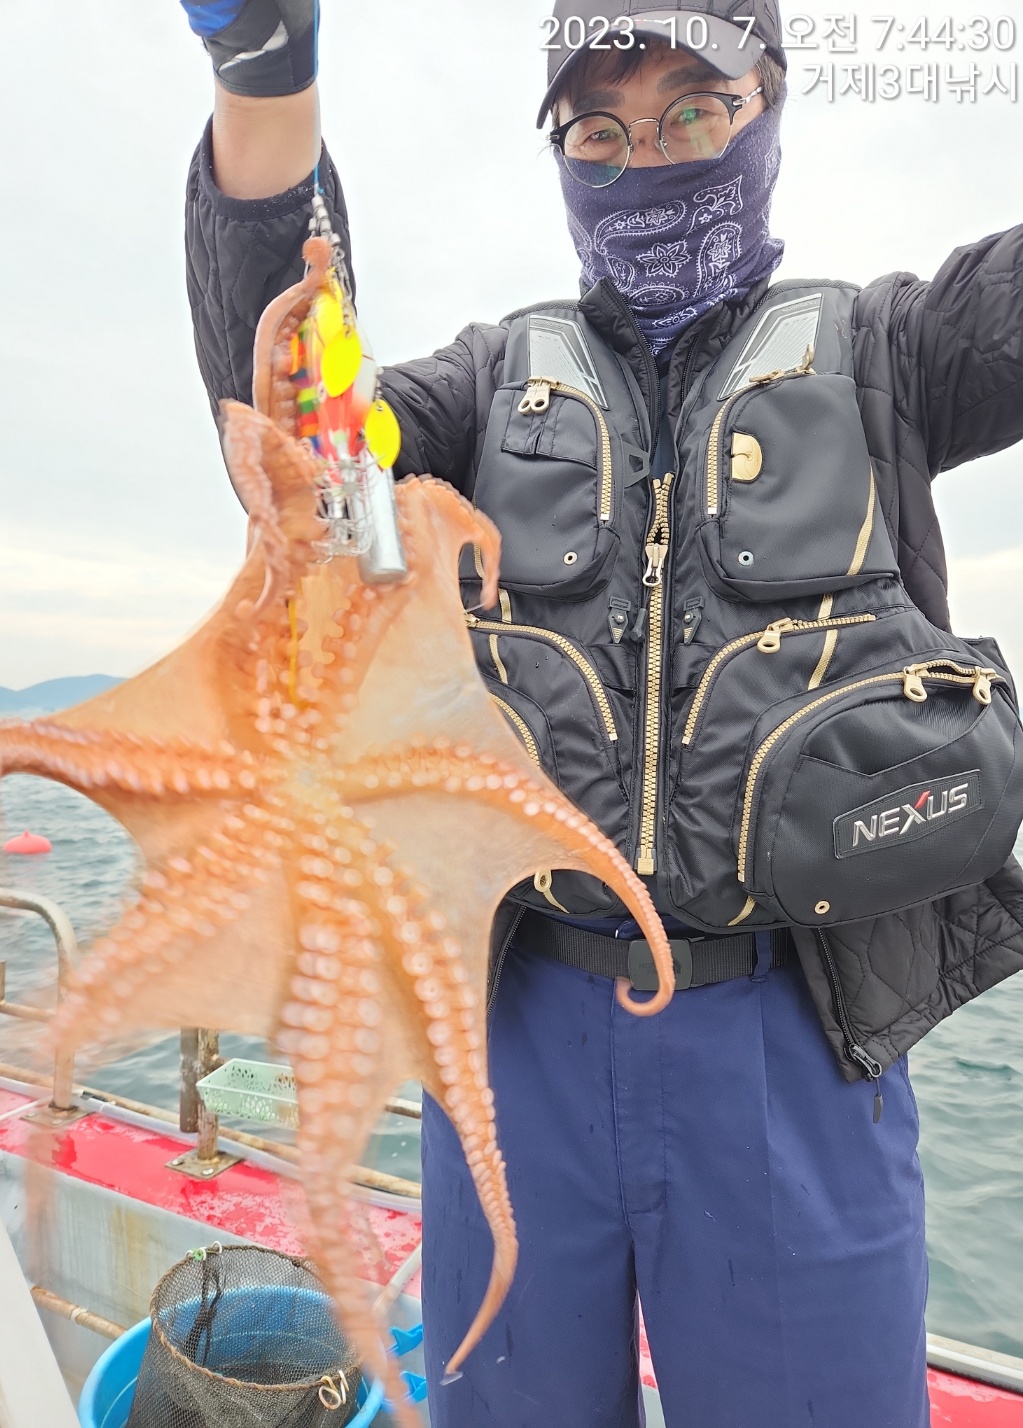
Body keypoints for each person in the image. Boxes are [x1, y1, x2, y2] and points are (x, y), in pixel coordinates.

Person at [179, 3, 1023, 1424]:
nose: (648, 159)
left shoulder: (895, 349)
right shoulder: (482, 389)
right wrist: (264, 74)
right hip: (514, 1035)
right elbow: (300, 444)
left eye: (695, 112)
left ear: (770, 106)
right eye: (598, 131)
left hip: (796, 1035)